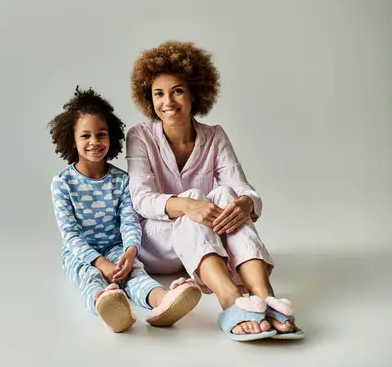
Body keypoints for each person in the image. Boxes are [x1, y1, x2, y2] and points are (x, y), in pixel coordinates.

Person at [125, 40, 304, 341]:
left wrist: (247, 203)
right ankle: (229, 297)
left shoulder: (215, 136)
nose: (167, 101)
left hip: (204, 242)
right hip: (158, 243)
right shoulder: (140, 136)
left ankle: (264, 295)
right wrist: (186, 205)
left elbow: (241, 186)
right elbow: (140, 199)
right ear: (149, 98)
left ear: (195, 94)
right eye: (158, 93)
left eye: (177, 90)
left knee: (227, 197)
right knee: (195, 196)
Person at [48, 86, 201, 333]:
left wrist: (130, 252)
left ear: (112, 137)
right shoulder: (62, 183)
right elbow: (71, 236)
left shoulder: (121, 180)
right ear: (72, 140)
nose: (95, 142)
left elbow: (129, 221)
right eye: (85, 136)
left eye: (101, 134)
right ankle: (107, 303)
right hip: (81, 253)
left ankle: (163, 301)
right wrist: (99, 263)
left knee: (136, 274)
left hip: (116, 247)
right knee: (89, 278)